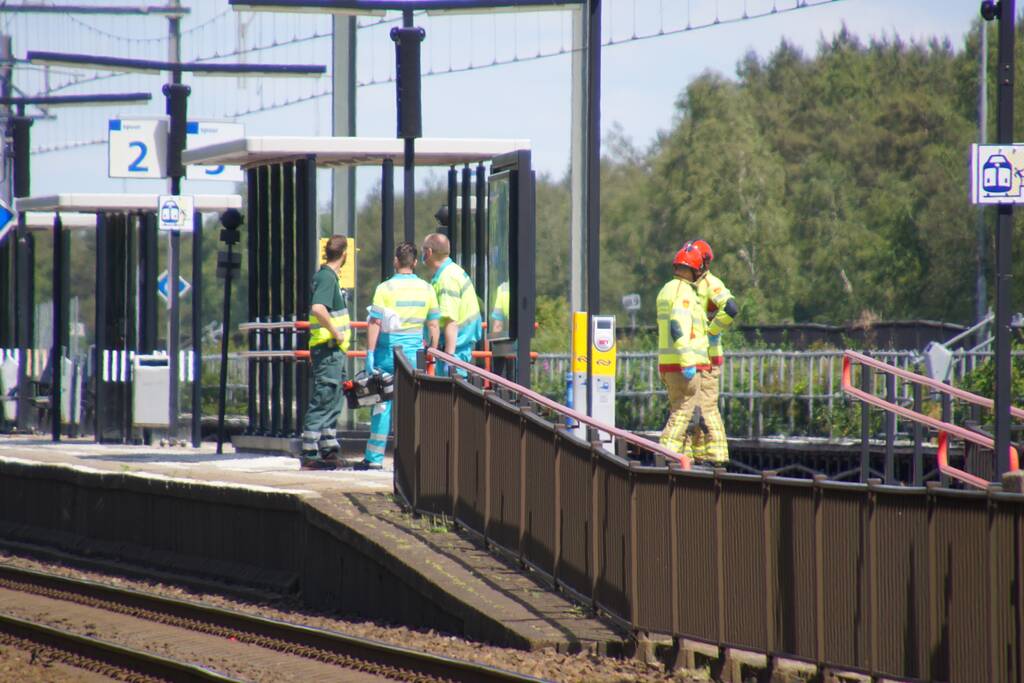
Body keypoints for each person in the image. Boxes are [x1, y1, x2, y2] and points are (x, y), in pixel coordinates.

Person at [361, 242, 441, 470]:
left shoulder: (385, 288)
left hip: (387, 353)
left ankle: (374, 458)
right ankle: (410, 460)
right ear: (415, 263)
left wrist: (370, 352)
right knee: (411, 405)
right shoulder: (427, 289)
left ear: (396, 261)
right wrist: (431, 352)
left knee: (382, 403)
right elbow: (434, 325)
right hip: (414, 354)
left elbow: (375, 322)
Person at [684, 239, 739, 465]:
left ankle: (716, 458)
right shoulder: (691, 287)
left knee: (706, 407)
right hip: (695, 359)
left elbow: (731, 308)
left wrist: (710, 330)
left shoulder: (711, 284)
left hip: (709, 358)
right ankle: (697, 456)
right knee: (693, 408)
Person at [301, 235, 351, 470]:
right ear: (345, 254)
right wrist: (336, 332)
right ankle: (310, 451)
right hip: (328, 348)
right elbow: (318, 308)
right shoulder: (327, 278)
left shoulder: (329, 277)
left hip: (333, 350)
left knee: (334, 396)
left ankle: (328, 448)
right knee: (324, 395)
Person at [656, 243, 710, 457]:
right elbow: (677, 326)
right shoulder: (684, 292)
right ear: (694, 270)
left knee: (679, 410)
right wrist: (688, 361)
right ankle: (665, 453)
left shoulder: (666, 290)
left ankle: (683, 458)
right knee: (683, 412)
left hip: (668, 364)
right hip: (683, 365)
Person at [420, 233, 482, 376]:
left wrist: (449, 358)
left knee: (452, 395)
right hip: (457, 348)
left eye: (423, 250)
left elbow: (451, 322)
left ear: (428, 252)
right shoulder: (452, 272)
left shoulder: (447, 279)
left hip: (455, 350)